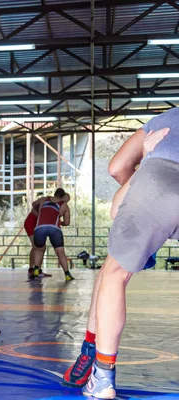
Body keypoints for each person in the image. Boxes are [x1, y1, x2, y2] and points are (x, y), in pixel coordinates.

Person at [61, 119, 171, 398]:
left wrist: (144, 171)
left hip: (159, 187)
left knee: (113, 271)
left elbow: (116, 169)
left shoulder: (169, 118)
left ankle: (100, 373)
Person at [24, 192, 70, 279]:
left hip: (41, 225)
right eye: (65, 200)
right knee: (36, 246)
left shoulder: (57, 206)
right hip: (32, 223)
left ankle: (38, 269)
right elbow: (34, 207)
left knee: (42, 247)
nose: (65, 203)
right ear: (60, 197)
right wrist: (40, 214)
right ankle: (31, 269)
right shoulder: (46, 200)